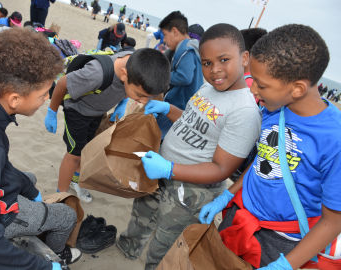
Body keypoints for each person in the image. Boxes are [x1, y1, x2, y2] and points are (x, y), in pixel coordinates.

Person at [117, 23, 261, 270]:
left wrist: (169, 169)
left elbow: (221, 169)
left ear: (244, 58)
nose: (215, 70)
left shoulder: (245, 111)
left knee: (165, 242)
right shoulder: (210, 86)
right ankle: (128, 248)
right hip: (163, 168)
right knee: (142, 212)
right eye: (206, 63)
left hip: (190, 190)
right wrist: (169, 109)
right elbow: (194, 120)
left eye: (224, 60)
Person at [199, 24, 341, 270]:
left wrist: (287, 264)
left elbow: (333, 221)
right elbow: (265, 160)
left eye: (261, 85)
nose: (253, 89)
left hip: (281, 242)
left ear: (296, 89)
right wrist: (227, 195)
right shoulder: (274, 109)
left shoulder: (334, 139)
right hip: (240, 217)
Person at [0, 27, 82, 270]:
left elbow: (2, 168)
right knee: (66, 216)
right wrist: (43, 267)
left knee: (29, 178)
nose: (48, 97)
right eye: (43, 93)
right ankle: (56, 256)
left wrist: (28, 187)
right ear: (15, 99)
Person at [44, 48, 171, 203]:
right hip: (78, 111)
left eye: (147, 97)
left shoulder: (136, 68)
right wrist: (52, 110)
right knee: (74, 154)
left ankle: (75, 179)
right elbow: (63, 84)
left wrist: (123, 102)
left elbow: (136, 90)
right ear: (124, 75)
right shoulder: (96, 74)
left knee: (87, 148)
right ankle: (61, 194)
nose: (143, 101)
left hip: (97, 112)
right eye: (139, 95)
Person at [156, 11, 204, 139]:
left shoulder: (185, 48)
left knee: (157, 137)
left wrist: (161, 76)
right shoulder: (192, 46)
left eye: (165, 35)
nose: (165, 40)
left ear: (175, 31)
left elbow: (184, 77)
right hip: (188, 104)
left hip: (179, 103)